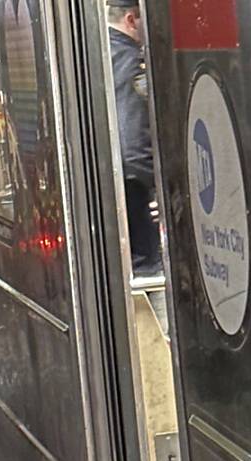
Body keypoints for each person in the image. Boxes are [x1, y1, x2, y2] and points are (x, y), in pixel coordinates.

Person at [108, 0, 161, 276]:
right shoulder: (130, 61)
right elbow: (133, 143)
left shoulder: (102, 54)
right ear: (131, 19)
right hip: (136, 198)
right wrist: (160, 189)